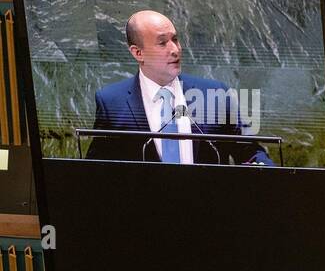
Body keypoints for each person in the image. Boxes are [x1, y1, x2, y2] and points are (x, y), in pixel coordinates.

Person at [86, 10, 274, 166]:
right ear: (138, 53)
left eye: (175, 39)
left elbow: (249, 151)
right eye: (162, 43)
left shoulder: (215, 95)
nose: (175, 49)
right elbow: (96, 168)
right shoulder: (112, 102)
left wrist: (262, 168)